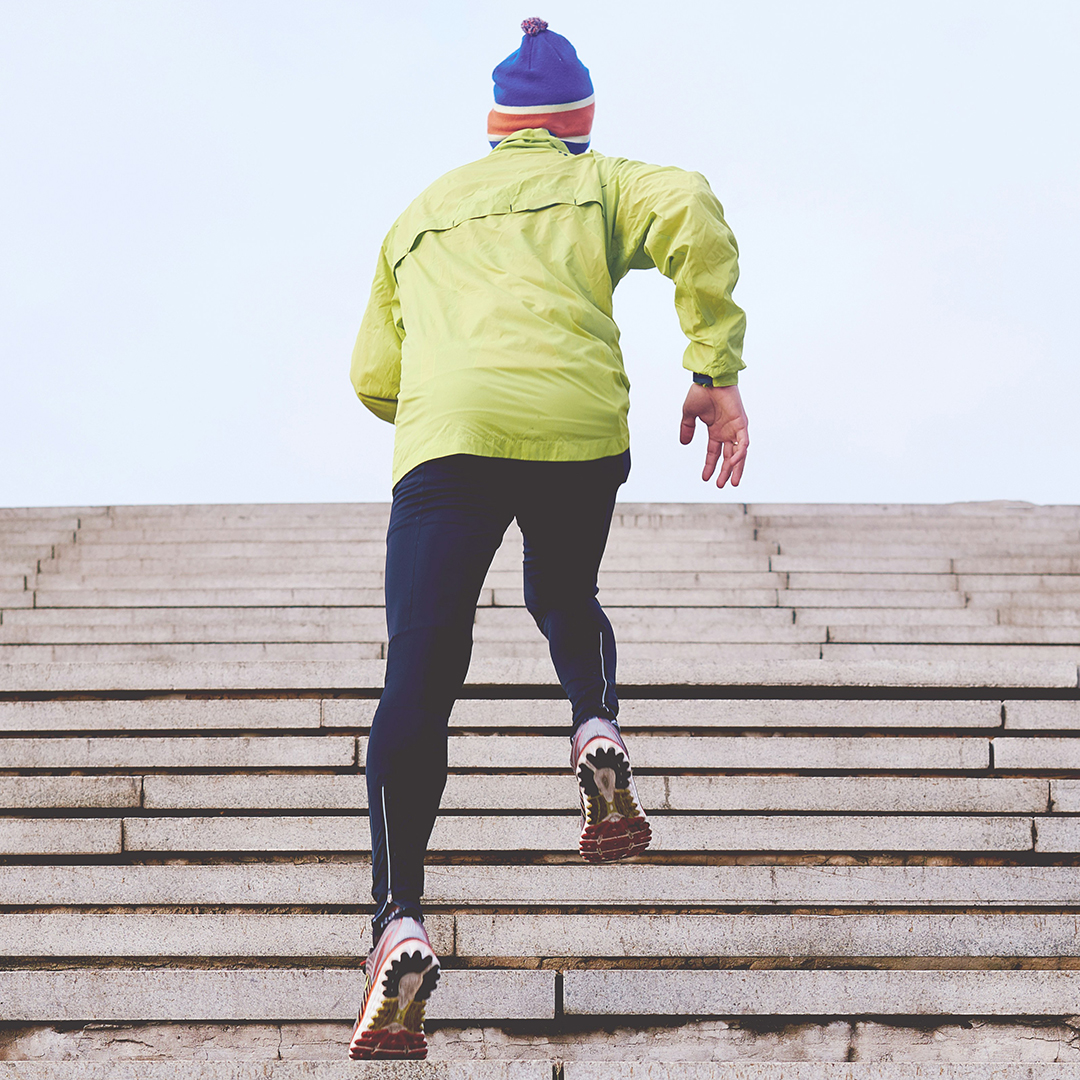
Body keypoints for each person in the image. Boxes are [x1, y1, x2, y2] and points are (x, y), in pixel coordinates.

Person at [346, 17, 748, 1060]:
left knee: (422, 669)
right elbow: (692, 206)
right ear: (579, 123)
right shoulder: (601, 180)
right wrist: (713, 367)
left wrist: (452, 396)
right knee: (563, 595)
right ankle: (594, 728)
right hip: (576, 428)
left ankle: (397, 917)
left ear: (494, 125)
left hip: (449, 441)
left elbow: (372, 376)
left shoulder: (419, 214)